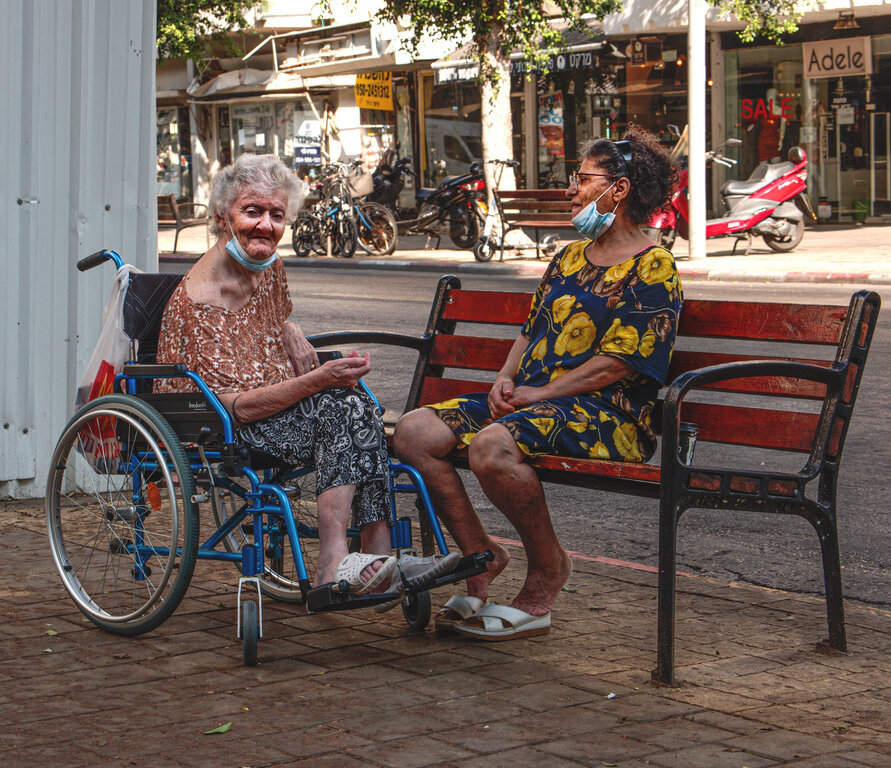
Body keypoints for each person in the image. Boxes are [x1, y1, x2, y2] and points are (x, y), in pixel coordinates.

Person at [394, 126, 682, 640]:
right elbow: (531, 333)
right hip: (530, 404)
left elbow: (619, 362)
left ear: (618, 190)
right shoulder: (568, 257)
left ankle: (548, 570)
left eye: (582, 178)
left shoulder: (653, 266)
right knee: (414, 431)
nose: (571, 189)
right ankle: (480, 558)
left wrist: (539, 394)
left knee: (492, 447)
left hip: (607, 416)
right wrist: (505, 380)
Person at [155, 153, 456, 595]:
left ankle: (375, 553)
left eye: (277, 215)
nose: (266, 226)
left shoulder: (268, 267)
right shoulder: (203, 299)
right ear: (222, 217)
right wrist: (319, 379)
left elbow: (270, 323)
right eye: (251, 211)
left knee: (357, 402)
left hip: (278, 409)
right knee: (341, 407)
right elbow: (232, 407)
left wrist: (290, 329)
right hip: (221, 427)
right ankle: (337, 560)